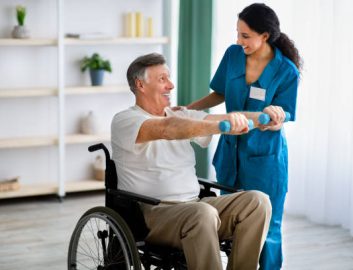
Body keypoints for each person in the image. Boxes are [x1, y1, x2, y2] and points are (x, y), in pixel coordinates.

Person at [111, 53, 272, 270]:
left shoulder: (182, 115)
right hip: (156, 215)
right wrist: (216, 127)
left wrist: (264, 118)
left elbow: (217, 120)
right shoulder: (126, 120)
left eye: (169, 78)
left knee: (258, 201)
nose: (171, 85)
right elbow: (168, 129)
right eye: (162, 79)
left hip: (196, 206)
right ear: (140, 84)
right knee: (202, 214)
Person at [185, 3, 302, 270]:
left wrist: (274, 117)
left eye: (245, 36)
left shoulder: (286, 71)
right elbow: (220, 93)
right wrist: (187, 110)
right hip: (230, 154)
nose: (238, 41)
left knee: (268, 229)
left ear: (265, 36)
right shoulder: (233, 55)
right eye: (237, 33)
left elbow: (283, 116)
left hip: (265, 161)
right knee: (233, 220)